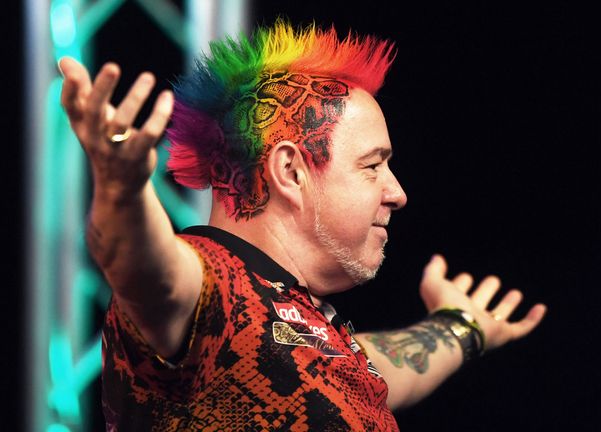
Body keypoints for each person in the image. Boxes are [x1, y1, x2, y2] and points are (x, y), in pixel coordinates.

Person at [59, 18, 547, 431]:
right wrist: (122, 191)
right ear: (290, 171)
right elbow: (138, 266)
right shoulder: (209, 285)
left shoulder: (313, 335)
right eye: (373, 166)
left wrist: (461, 326)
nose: (398, 193)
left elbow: (387, 366)